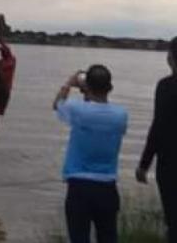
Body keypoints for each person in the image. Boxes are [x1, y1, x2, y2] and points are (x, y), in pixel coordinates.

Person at [53, 65, 128, 243]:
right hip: (108, 187)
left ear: (87, 87)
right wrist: (87, 91)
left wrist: (69, 84)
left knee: (79, 238)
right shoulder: (121, 115)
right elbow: (97, 110)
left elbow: (57, 105)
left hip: (79, 187)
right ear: (110, 88)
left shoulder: (77, 110)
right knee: (108, 237)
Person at [136, 36, 177, 243]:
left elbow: (158, 127)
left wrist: (144, 164)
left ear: (170, 58)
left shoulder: (165, 87)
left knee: (173, 219)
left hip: (170, 164)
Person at [0, 39, 16, 128]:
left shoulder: (12, 60)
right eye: (1, 51)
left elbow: (7, 49)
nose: (2, 53)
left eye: (3, 51)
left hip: (5, 89)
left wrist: (0, 41)